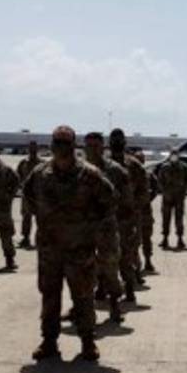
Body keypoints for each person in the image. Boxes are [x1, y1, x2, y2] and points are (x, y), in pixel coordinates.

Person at [24, 126, 114, 362]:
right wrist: (46, 220)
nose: (61, 148)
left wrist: (90, 227)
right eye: (57, 142)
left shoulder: (90, 174)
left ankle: (88, 342)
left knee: (83, 297)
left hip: (79, 250)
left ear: (74, 146)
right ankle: (49, 342)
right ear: (52, 144)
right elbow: (28, 197)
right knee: (49, 296)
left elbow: (110, 201)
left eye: (66, 143)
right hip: (49, 250)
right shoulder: (40, 173)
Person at [83, 132, 129, 322]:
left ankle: (115, 305)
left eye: (96, 146)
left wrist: (126, 225)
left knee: (110, 267)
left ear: (103, 148)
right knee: (82, 269)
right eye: (89, 146)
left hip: (107, 227)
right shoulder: (78, 170)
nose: (92, 149)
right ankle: (82, 307)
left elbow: (127, 200)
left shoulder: (116, 170)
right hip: (82, 228)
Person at [111, 129, 152, 277]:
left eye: (119, 140)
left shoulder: (133, 165)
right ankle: (106, 283)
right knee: (106, 250)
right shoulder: (103, 164)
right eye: (114, 140)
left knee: (130, 249)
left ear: (124, 142)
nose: (116, 143)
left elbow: (144, 191)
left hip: (129, 216)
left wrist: (134, 207)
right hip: (107, 216)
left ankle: (132, 277)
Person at [131, 147, 157, 272]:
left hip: (146, 212)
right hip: (134, 213)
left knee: (147, 238)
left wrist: (147, 200)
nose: (139, 161)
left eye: (141, 159)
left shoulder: (149, 174)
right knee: (134, 240)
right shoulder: (128, 174)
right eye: (138, 158)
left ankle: (148, 261)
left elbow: (156, 189)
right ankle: (136, 266)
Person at [158, 150, 187, 249]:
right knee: (165, 218)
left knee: (179, 219)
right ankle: (165, 239)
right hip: (167, 197)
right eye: (172, 155)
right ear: (170, 156)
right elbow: (160, 180)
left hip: (179, 197)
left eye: (175, 155)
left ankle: (180, 239)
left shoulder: (184, 167)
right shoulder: (164, 167)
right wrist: (164, 191)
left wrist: (183, 192)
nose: (174, 157)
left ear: (178, 156)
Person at [17, 141, 42, 249]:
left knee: (40, 218)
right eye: (31, 148)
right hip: (26, 195)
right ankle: (25, 238)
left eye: (35, 148)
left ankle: (40, 240)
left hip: (39, 195)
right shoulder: (23, 162)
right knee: (26, 217)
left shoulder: (42, 163)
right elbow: (17, 176)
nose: (33, 150)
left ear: (37, 149)